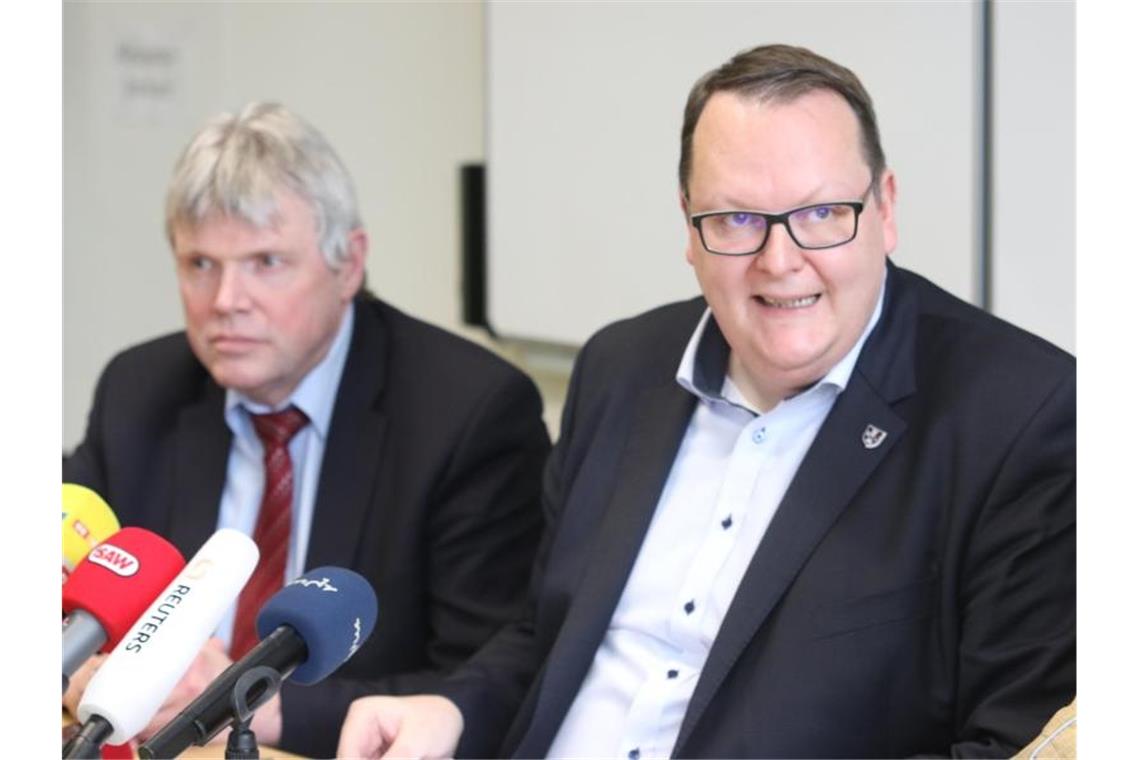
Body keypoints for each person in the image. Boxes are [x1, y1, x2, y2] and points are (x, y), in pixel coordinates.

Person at [337, 44, 1075, 759]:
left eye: (821, 213)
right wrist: (454, 708)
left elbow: (1014, 747)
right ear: (689, 226)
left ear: (884, 209)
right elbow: (549, 632)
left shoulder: (1021, 415)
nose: (780, 262)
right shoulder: (622, 367)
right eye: (737, 220)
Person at [62, 102, 551, 758]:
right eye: (200, 264)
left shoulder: (468, 413)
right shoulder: (140, 390)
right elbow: (65, 577)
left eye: (265, 262)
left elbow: (487, 681)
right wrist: (77, 664)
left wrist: (247, 700)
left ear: (348, 264)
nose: (226, 300)